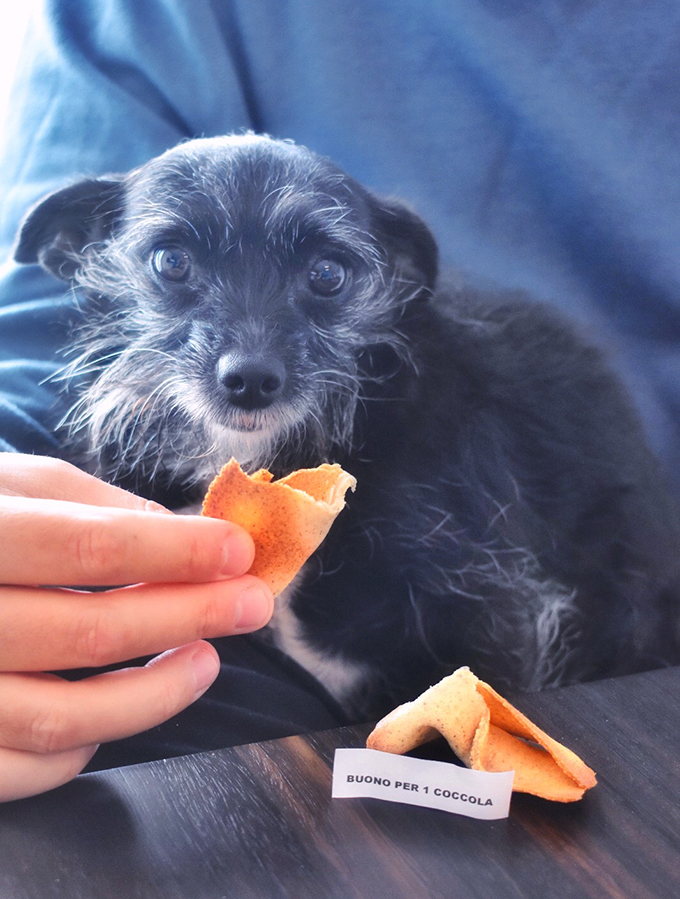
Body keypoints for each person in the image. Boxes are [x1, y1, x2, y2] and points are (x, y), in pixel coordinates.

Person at [2, 0, 680, 801]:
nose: (246, 359)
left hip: (622, 654)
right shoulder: (159, 17)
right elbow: (25, 374)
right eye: (175, 264)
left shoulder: (436, 438)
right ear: (81, 251)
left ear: (394, 282)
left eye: (324, 277)